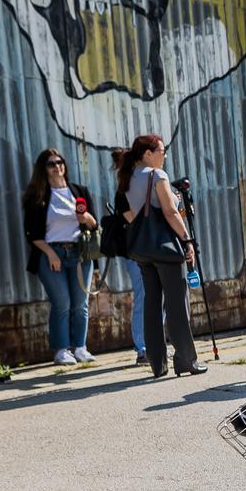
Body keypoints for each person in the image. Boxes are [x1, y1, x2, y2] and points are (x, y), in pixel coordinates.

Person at [117, 135, 207, 377]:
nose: (164, 155)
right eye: (161, 151)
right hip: (166, 247)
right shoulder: (157, 176)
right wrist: (187, 239)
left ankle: (158, 364)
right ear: (148, 153)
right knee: (177, 305)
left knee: (152, 304)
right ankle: (186, 361)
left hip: (144, 249)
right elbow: (169, 211)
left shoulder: (128, 178)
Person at [23, 148, 98, 366]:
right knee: (62, 302)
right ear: (43, 169)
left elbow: (94, 226)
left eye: (60, 162)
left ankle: (81, 347)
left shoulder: (78, 191)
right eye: (51, 164)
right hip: (51, 253)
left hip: (79, 252)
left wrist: (87, 218)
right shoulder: (37, 196)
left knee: (80, 302)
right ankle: (61, 350)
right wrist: (49, 253)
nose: (57, 167)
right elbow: (31, 233)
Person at [108, 148, 148, 364]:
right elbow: (136, 220)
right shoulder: (124, 192)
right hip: (134, 252)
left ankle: (153, 342)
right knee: (143, 296)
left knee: (153, 297)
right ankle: (142, 347)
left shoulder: (142, 188)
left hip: (148, 250)